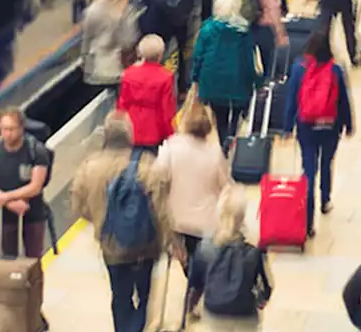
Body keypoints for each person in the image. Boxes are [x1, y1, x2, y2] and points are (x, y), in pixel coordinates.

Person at [69, 113, 176, 332]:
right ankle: (138, 325)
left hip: (111, 245)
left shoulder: (89, 167)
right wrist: (170, 240)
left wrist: (100, 219)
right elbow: (161, 211)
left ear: (106, 136)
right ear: (130, 135)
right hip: (145, 245)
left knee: (120, 295)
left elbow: (78, 207)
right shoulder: (147, 165)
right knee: (145, 293)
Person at [155, 102, 231, 321]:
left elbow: (159, 177)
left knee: (187, 257)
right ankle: (194, 296)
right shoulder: (215, 153)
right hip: (206, 223)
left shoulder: (171, 147)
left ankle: (190, 275)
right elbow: (225, 187)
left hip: (176, 220)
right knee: (204, 261)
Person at [283, 30, 355, 237]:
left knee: (308, 170)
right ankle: (325, 200)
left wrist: (288, 127)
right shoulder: (336, 70)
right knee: (326, 163)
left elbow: (291, 100)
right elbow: (343, 100)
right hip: (330, 126)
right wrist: (348, 125)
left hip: (306, 126)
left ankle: (308, 222)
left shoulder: (299, 68)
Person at [185, 189, 273, 328]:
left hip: (215, 313)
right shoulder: (253, 252)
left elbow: (195, 285)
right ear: (243, 216)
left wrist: (191, 309)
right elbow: (267, 287)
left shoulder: (204, 249)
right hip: (245, 315)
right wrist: (259, 302)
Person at [0, 107, 52, 259]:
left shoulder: (36, 151)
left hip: (33, 213)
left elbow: (35, 186)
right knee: (8, 259)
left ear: (21, 128)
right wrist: (9, 203)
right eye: (4, 129)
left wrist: (5, 198)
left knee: (33, 260)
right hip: (5, 215)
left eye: (12, 129)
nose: (7, 134)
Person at [192, 0, 259, 152]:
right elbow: (249, 59)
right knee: (236, 112)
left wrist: (195, 78)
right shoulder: (243, 30)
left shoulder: (207, 28)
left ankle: (223, 141)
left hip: (213, 79)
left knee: (219, 113)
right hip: (238, 79)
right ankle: (231, 135)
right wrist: (256, 81)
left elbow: (198, 56)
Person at [117, 35, 177, 153]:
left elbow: (122, 103)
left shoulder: (129, 74)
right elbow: (166, 109)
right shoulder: (165, 76)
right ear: (160, 54)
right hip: (154, 130)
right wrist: (170, 133)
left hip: (131, 128)